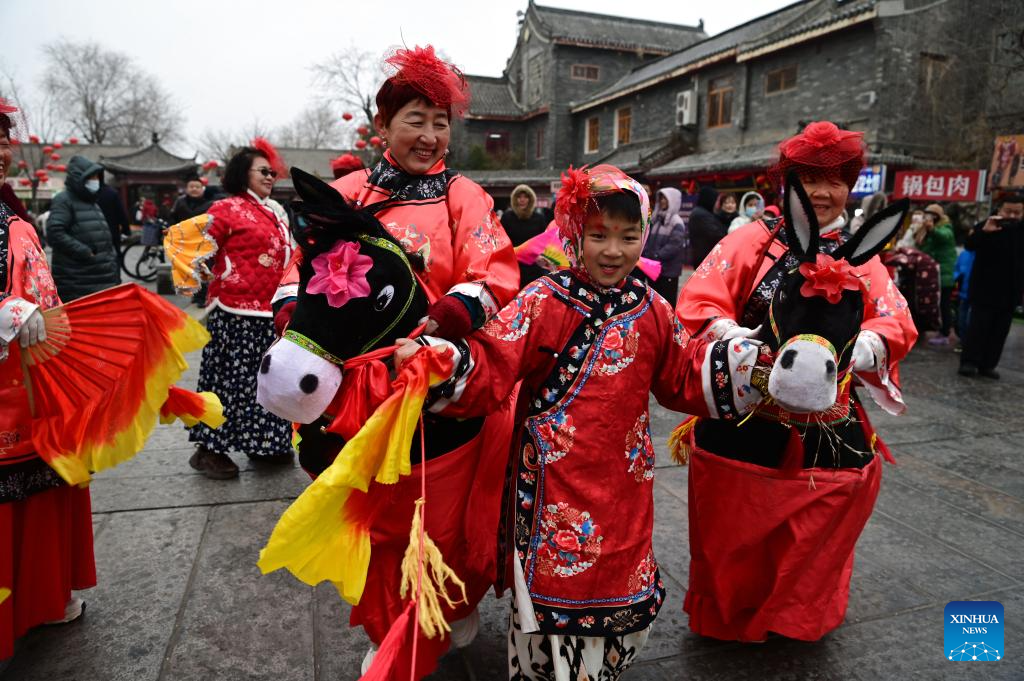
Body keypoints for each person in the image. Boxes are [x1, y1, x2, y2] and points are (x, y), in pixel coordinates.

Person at [395, 164, 766, 680]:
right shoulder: (543, 299)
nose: (613, 251)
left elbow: (684, 373)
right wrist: (439, 363)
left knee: (619, 584)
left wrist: (752, 368)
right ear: (575, 235)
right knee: (548, 603)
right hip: (551, 483)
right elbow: (493, 363)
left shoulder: (654, 308)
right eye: (598, 235)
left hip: (623, 485)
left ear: (644, 239)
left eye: (628, 236)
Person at [271, 45, 520, 676]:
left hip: (439, 381)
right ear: (381, 127)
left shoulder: (463, 197)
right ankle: (390, 629)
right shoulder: (347, 193)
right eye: (416, 119)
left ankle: (442, 611)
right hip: (360, 394)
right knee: (380, 529)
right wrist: (293, 320)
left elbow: (494, 274)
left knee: (443, 523)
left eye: (441, 122)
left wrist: (447, 328)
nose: (431, 136)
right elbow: (296, 270)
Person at [676, 121, 917, 642]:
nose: (822, 193)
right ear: (788, 185)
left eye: (835, 180)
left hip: (828, 421)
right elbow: (699, 299)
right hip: (748, 413)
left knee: (819, 526)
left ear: (850, 186)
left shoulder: (862, 256)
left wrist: (868, 344)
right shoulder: (750, 241)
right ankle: (731, 615)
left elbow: (894, 319)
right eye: (810, 179)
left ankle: (798, 614)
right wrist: (733, 336)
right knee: (733, 528)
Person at [1, 99, 96, 662]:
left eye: (3, 138)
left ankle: (42, 597)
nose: (1, 150)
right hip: (8, 392)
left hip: (35, 379)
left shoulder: (9, 212)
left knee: (46, 488)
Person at [166, 140, 296, 479]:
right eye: (263, 171)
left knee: (265, 381)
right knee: (228, 381)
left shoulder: (273, 211)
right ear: (242, 174)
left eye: (273, 172)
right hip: (233, 311)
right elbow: (184, 240)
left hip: (267, 310)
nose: (271, 176)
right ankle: (209, 449)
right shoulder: (227, 209)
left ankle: (264, 444)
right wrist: (204, 272)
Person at [958, 194, 1024, 379]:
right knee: (978, 328)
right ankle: (969, 362)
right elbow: (969, 245)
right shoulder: (988, 225)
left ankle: (988, 365)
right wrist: (984, 232)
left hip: (1011, 291)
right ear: (999, 209)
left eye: (1017, 212)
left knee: (1000, 331)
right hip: (984, 290)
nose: (1012, 215)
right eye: (1008, 211)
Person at [46, 155, 119, 302]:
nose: (95, 181)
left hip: (101, 279)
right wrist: (85, 252)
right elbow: (55, 232)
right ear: (79, 178)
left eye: (97, 176)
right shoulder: (64, 200)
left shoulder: (91, 201)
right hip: (78, 280)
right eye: (91, 177)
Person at [916, 203, 957, 345]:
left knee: (944, 304)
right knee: (938, 304)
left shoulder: (945, 227)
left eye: (931, 214)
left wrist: (931, 228)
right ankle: (941, 330)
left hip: (944, 274)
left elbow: (944, 237)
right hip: (935, 274)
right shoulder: (929, 229)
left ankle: (946, 332)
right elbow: (924, 247)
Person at [642, 186, 688, 302]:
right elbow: (648, 239)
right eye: (661, 198)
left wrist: (656, 256)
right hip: (653, 269)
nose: (662, 201)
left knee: (667, 302)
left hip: (668, 271)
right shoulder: (656, 218)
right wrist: (646, 255)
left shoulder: (676, 222)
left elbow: (674, 245)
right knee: (654, 301)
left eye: (665, 199)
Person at [501, 184, 549, 284]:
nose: (522, 200)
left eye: (525, 197)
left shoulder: (539, 218)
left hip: (534, 265)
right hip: (513, 265)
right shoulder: (507, 217)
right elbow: (501, 240)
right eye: (519, 197)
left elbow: (544, 242)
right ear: (515, 199)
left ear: (530, 199)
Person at [687, 186, 726, 267]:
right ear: (709, 199)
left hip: (705, 259)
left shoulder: (703, 212)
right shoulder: (701, 215)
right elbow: (718, 235)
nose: (717, 203)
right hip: (705, 260)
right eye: (716, 200)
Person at [95, 179, 131, 244]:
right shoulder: (112, 193)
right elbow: (121, 214)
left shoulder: (83, 193)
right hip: (112, 232)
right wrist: (126, 230)